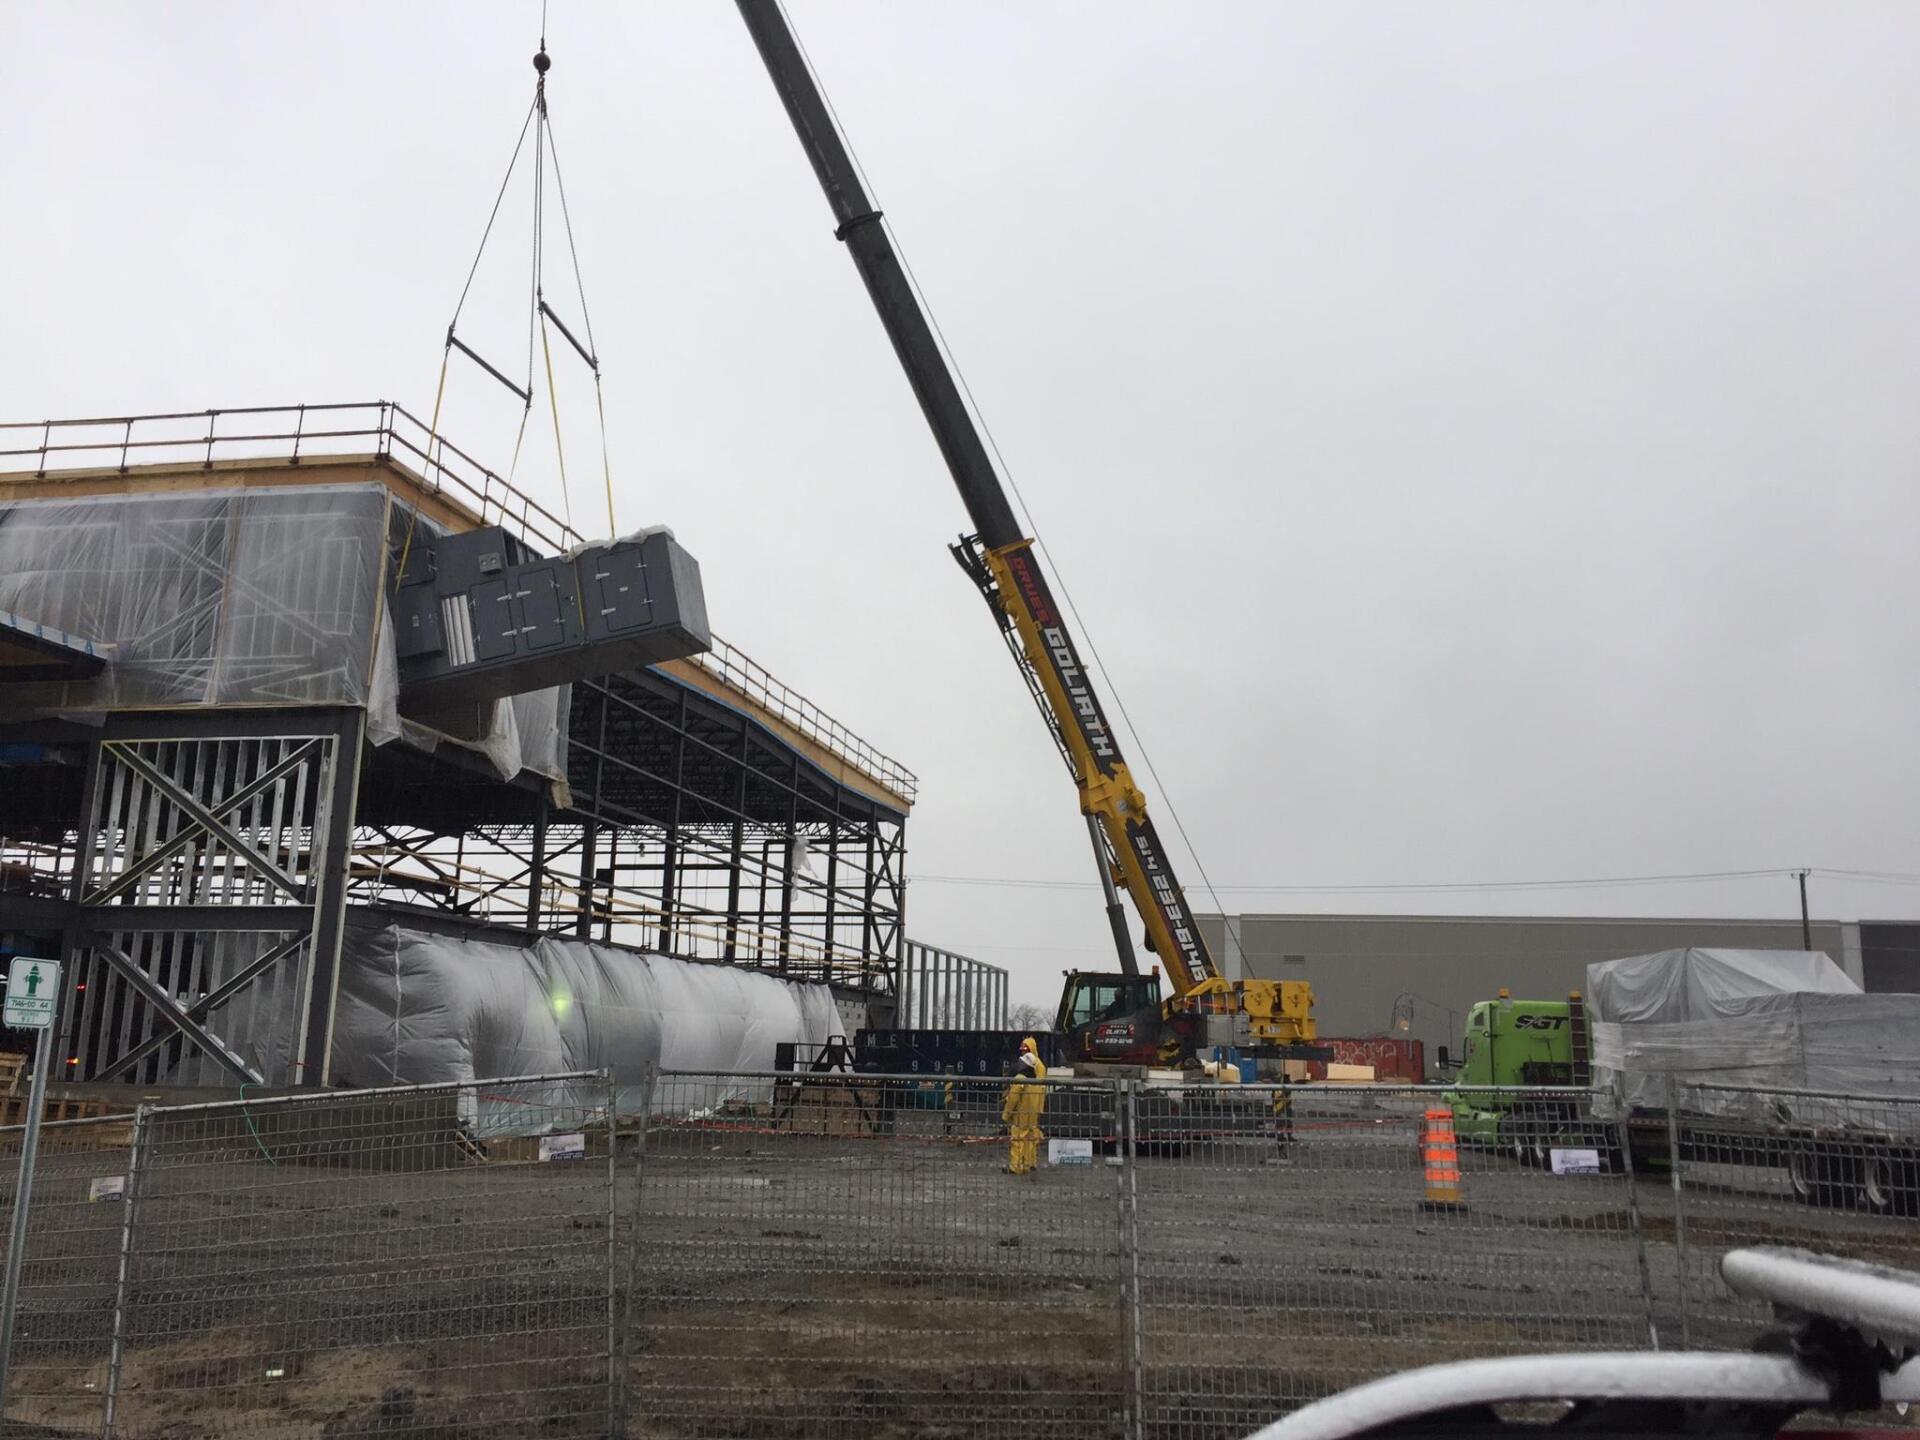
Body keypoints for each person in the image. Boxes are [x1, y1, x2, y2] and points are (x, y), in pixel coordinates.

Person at [1001, 1036, 1047, 1175]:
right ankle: (1029, 1163)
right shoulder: (1040, 1067)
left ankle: (1016, 1166)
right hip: (1034, 1108)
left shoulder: (1021, 1078)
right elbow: (1042, 1089)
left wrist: (1006, 1114)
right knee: (1031, 1136)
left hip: (1022, 1110)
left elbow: (1013, 1098)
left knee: (1018, 1137)